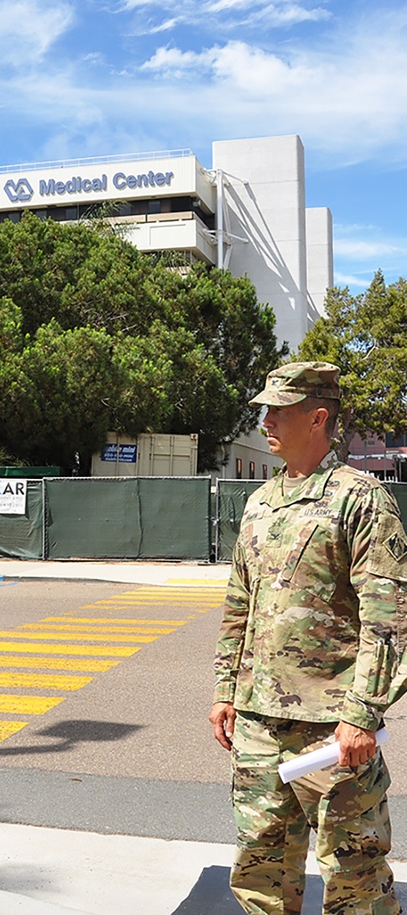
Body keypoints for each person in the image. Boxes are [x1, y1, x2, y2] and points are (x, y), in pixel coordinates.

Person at [209, 361, 407, 915]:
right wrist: (226, 691)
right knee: (260, 870)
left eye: (279, 409)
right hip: (257, 722)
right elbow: (239, 606)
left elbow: (390, 617)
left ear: (318, 417)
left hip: (332, 728)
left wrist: (364, 712)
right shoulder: (259, 503)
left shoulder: (360, 499)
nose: (266, 419)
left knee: (355, 877)